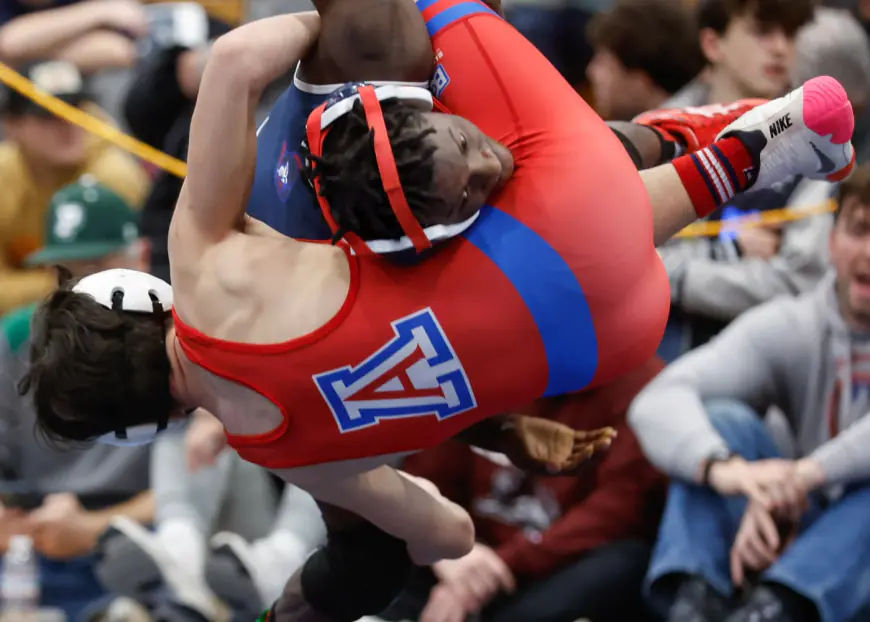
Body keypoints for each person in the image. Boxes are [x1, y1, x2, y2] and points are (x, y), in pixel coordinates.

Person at [19, 3, 857, 621]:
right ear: (130, 301)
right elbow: (236, 62)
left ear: (140, 426)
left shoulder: (291, 458)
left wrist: (483, 427)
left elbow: (444, 536)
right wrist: (325, 36)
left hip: (603, 338)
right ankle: (733, 146)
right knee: (410, 37)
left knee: (464, 210)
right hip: (560, 220)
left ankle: (743, 150)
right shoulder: (199, 268)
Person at [628, 161, 870, 622]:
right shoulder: (794, 322)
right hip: (789, 524)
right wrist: (731, 472)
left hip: (850, 555)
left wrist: (800, 478)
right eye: (860, 230)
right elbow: (656, 401)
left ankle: (774, 610)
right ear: (831, 239)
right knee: (722, 423)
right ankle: (694, 601)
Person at [0, 178, 153, 621]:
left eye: (96, 268)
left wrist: (90, 530)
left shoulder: (177, 338)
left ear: (141, 257)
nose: (80, 287)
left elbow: (196, 490)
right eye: (66, 272)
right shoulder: (15, 337)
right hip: (35, 532)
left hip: (138, 532)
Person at [0, 59, 151, 316]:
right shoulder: (5, 175)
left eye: (75, 109)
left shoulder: (115, 176)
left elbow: (129, 282)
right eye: (47, 115)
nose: (68, 124)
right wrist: (66, 282)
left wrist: (54, 284)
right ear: (12, 125)